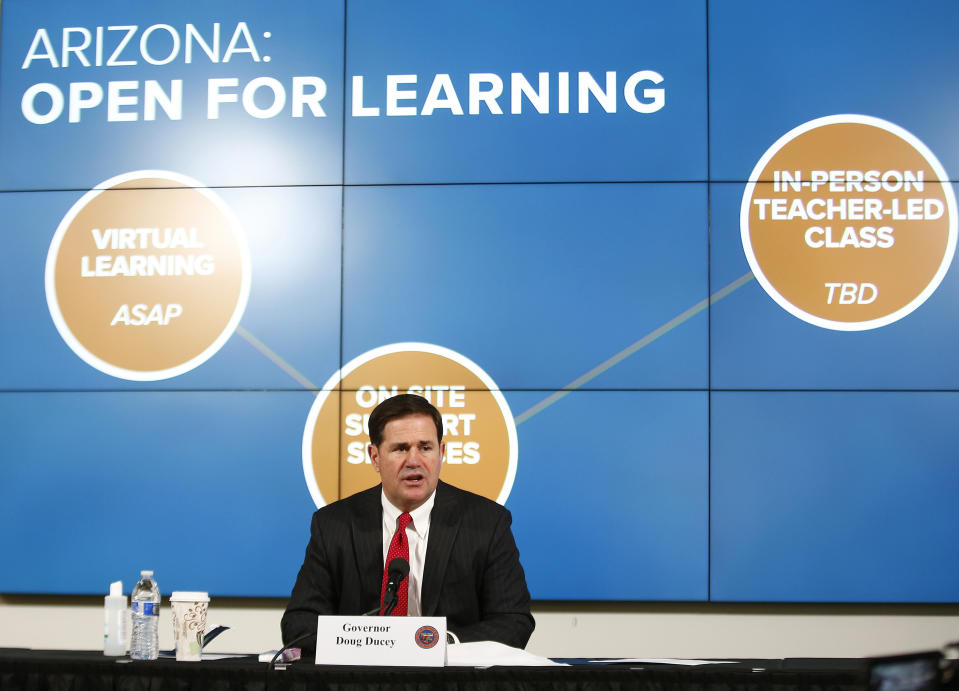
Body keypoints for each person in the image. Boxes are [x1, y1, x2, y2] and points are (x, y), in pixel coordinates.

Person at [281, 393, 534, 652]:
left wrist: (436, 644)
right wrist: (368, 641)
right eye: (400, 448)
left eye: (425, 447)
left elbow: (513, 622)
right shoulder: (334, 524)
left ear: (441, 452)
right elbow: (299, 625)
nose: (414, 461)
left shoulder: (487, 522)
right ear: (375, 457)